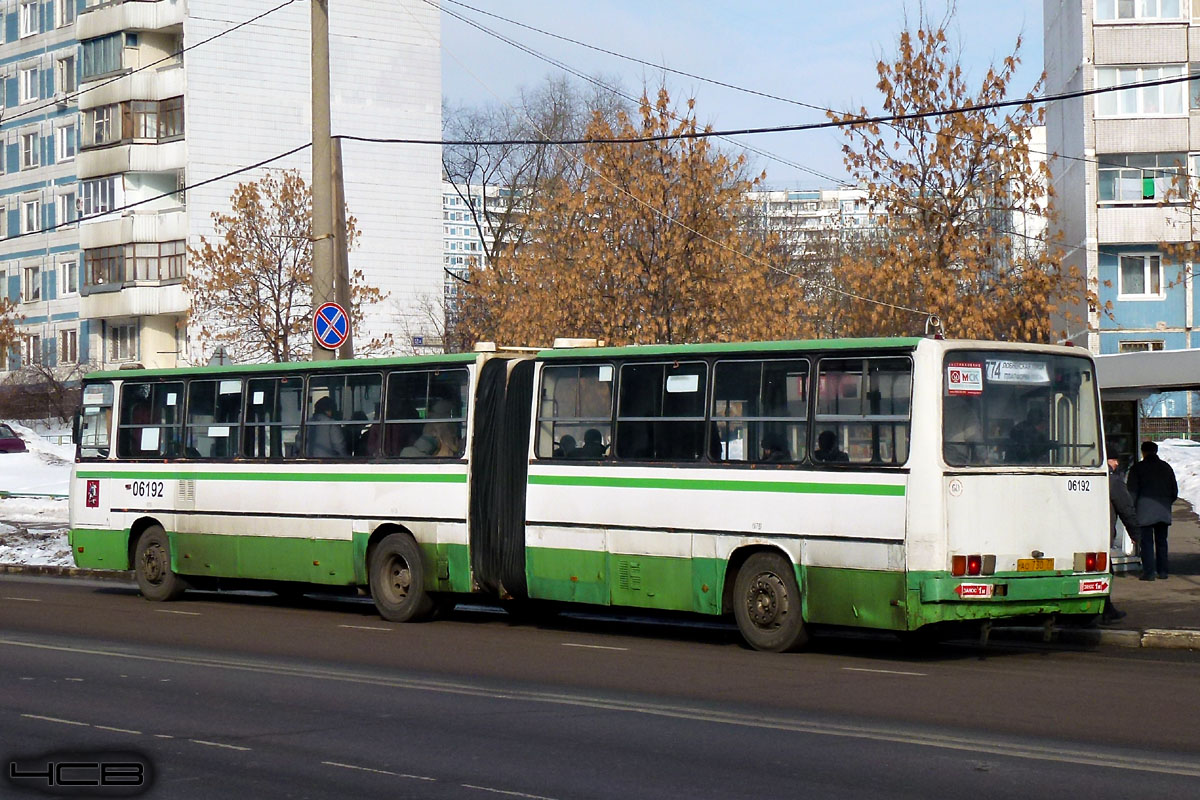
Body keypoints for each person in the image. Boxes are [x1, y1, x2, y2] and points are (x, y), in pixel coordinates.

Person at [1126, 440, 1178, 581]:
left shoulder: (1137, 468)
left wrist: (1131, 509)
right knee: (1162, 542)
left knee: (1147, 543)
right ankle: (1163, 571)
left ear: (1143, 452)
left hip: (1144, 512)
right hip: (1163, 511)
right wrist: (1166, 503)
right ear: (1156, 451)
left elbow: (1132, 492)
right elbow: (1175, 491)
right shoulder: (1166, 468)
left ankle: (1149, 572)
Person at [1103, 456, 1137, 623]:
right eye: (1114, 459)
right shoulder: (1112, 482)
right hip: (1100, 537)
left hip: (1079, 536)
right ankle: (1105, 610)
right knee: (1105, 572)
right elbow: (1126, 509)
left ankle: (1105, 608)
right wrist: (1135, 534)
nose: (1117, 463)